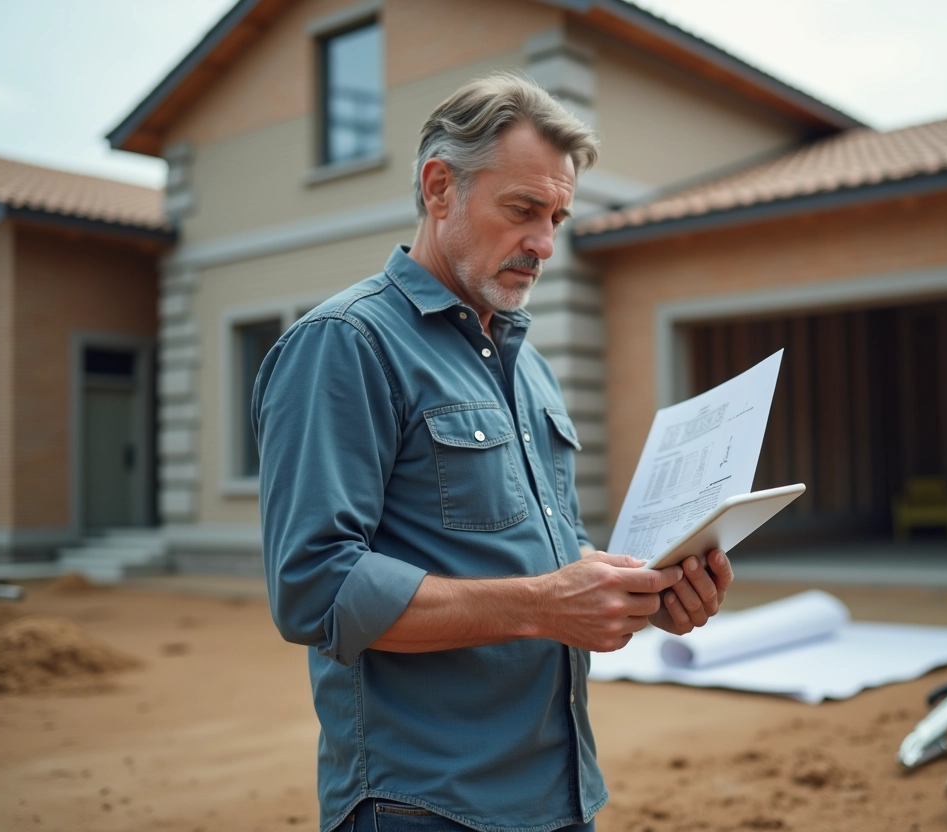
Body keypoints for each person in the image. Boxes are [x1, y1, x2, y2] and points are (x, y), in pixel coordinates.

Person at [252, 73, 734, 832]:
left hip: (560, 789)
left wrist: (634, 588)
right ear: (439, 187)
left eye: (557, 217)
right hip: (423, 804)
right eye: (522, 210)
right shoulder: (345, 345)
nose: (543, 243)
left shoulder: (526, 364)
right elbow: (315, 586)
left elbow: (531, 553)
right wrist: (548, 606)